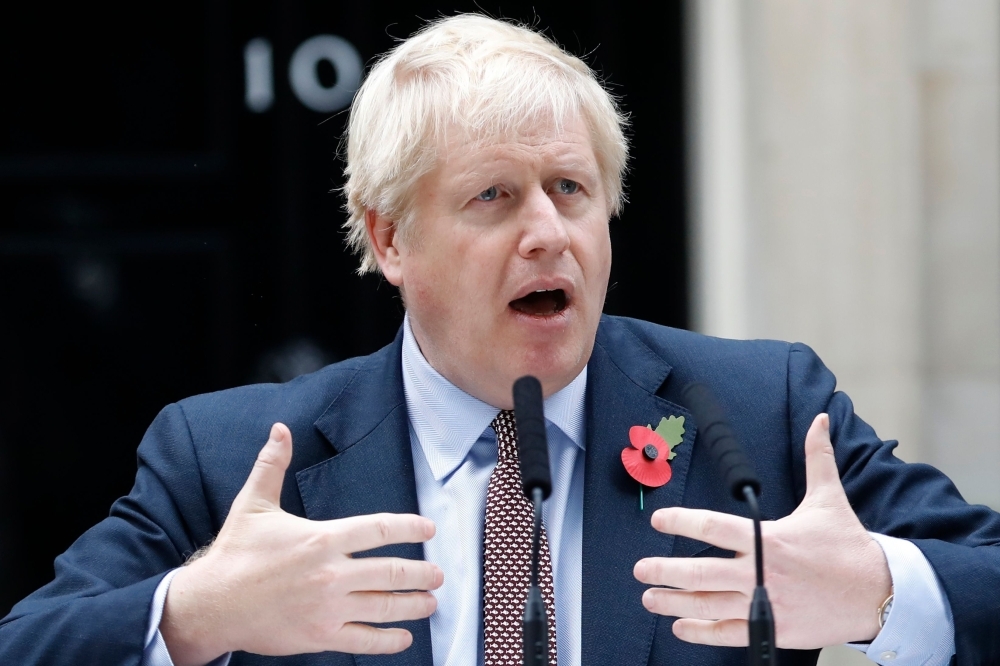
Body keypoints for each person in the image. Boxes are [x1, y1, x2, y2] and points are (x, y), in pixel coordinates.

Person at [2, 14, 999, 666]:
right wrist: (192, 617)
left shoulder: (758, 414)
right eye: (493, 196)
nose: (547, 232)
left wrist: (876, 589)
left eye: (570, 189)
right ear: (390, 237)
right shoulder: (229, 459)